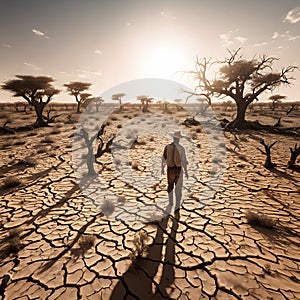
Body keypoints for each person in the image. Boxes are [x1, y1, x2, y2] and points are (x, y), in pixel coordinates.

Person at [161, 131, 188, 212]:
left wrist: (162, 168)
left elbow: (163, 159)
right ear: (179, 139)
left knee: (170, 186)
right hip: (179, 170)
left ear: (173, 138)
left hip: (170, 170)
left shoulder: (167, 147)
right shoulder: (181, 148)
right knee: (178, 189)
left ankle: (171, 203)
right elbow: (184, 161)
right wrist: (186, 172)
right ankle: (177, 206)